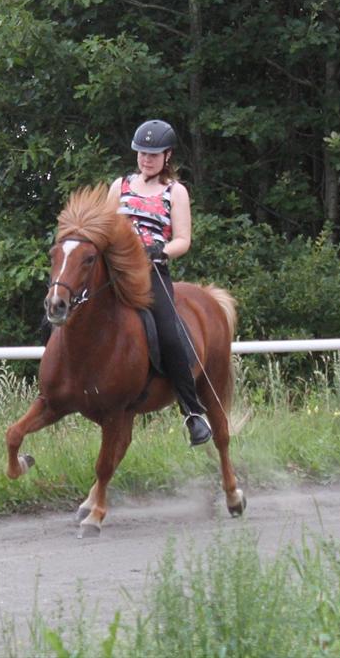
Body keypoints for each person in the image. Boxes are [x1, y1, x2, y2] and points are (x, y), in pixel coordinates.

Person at [109, 120, 213, 447]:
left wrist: (160, 250)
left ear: (167, 156)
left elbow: (183, 240)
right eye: (142, 153)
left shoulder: (175, 192)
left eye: (153, 155)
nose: (146, 159)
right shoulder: (120, 186)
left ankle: (192, 412)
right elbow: (105, 227)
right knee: (68, 306)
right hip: (114, 270)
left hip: (151, 272)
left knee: (169, 332)